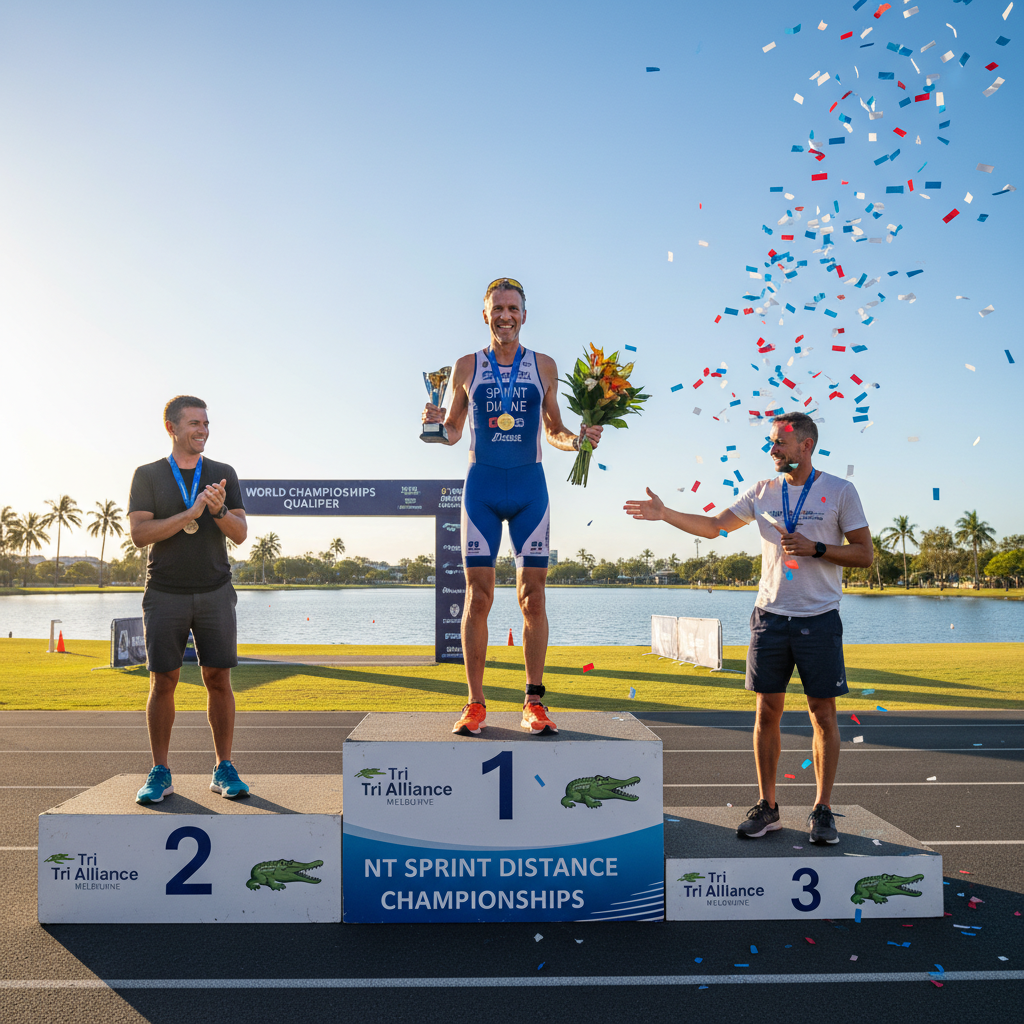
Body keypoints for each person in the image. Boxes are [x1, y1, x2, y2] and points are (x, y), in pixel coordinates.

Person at [623, 412, 872, 844]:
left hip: (819, 618)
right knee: (766, 713)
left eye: (779, 442)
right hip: (770, 617)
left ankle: (823, 810)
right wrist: (665, 514)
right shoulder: (762, 491)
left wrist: (816, 548)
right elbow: (716, 526)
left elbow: (865, 554)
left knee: (823, 715)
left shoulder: (840, 491)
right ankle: (768, 807)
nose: (772, 449)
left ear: (806, 445)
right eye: (771, 442)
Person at [422, 278, 602, 736]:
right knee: (478, 596)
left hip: (530, 490)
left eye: (513, 308)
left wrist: (578, 441)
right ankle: (475, 703)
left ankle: (533, 701)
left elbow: (555, 429)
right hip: (481, 488)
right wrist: (436, 425)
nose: (505, 315)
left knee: (533, 597)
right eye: (497, 308)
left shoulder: (544, 365)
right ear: (485, 315)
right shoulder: (466, 366)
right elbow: (455, 433)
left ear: (525, 315)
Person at [128, 396, 249, 804]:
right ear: (172, 428)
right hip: (164, 593)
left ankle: (224, 767)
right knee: (164, 681)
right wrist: (192, 511)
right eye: (195, 423)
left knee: (219, 680)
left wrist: (216, 512)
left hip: (215, 591)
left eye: (206, 423)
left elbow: (240, 533)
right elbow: (141, 534)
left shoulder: (222, 473)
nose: (203, 430)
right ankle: (160, 772)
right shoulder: (147, 475)